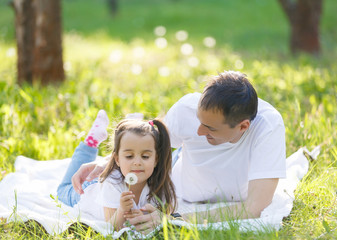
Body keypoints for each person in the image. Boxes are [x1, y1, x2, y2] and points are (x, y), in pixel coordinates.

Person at [72, 71, 286, 231]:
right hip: (179, 174)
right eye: (200, 121)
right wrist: (108, 161)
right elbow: (150, 141)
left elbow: (255, 207)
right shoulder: (187, 109)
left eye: (210, 128)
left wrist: (174, 218)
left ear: (242, 127)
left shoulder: (268, 127)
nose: (200, 131)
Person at [57, 110, 177, 231]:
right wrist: (121, 210)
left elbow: (162, 216)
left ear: (156, 160)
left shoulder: (161, 183)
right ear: (117, 160)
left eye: (145, 156)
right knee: (62, 190)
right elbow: (111, 228)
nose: (137, 162)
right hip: (85, 191)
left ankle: (133, 121)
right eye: (129, 156)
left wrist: (143, 218)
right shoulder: (112, 183)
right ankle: (90, 142)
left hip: (103, 181)